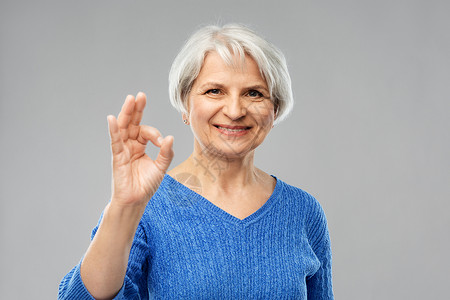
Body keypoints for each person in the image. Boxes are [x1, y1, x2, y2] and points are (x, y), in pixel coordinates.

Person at [58, 24, 333, 299]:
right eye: (215, 91)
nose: (235, 111)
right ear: (184, 104)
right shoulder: (146, 207)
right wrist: (124, 206)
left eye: (254, 93)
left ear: (275, 110)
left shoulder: (304, 212)